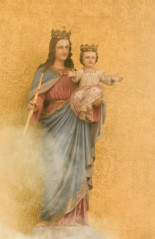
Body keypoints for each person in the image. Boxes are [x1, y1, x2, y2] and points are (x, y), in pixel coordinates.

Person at [27, 27, 95, 226]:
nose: (64, 50)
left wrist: (96, 100)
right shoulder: (44, 72)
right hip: (53, 126)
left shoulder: (75, 73)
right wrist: (35, 105)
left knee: (75, 168)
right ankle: (51, 216)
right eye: (60, 47)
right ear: (53, 49)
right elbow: (39, 96)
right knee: (54, 168)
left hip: (76, 126)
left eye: (67, 47)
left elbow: (86, 94)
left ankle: (74, 219)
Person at [69, 43, 123, 128]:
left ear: (96, 59)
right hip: (84, 91)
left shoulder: (98, 73)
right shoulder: (81, 71)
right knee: (76, 95)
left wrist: (112, 78)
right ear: (82, 59)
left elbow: (106, 78)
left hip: (94, 92)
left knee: (95, 90)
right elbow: (76, 77)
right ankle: (82, 113)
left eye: (93, 57)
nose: (90, 60)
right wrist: (73, 75)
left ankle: (86, 108)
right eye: (87, 57)